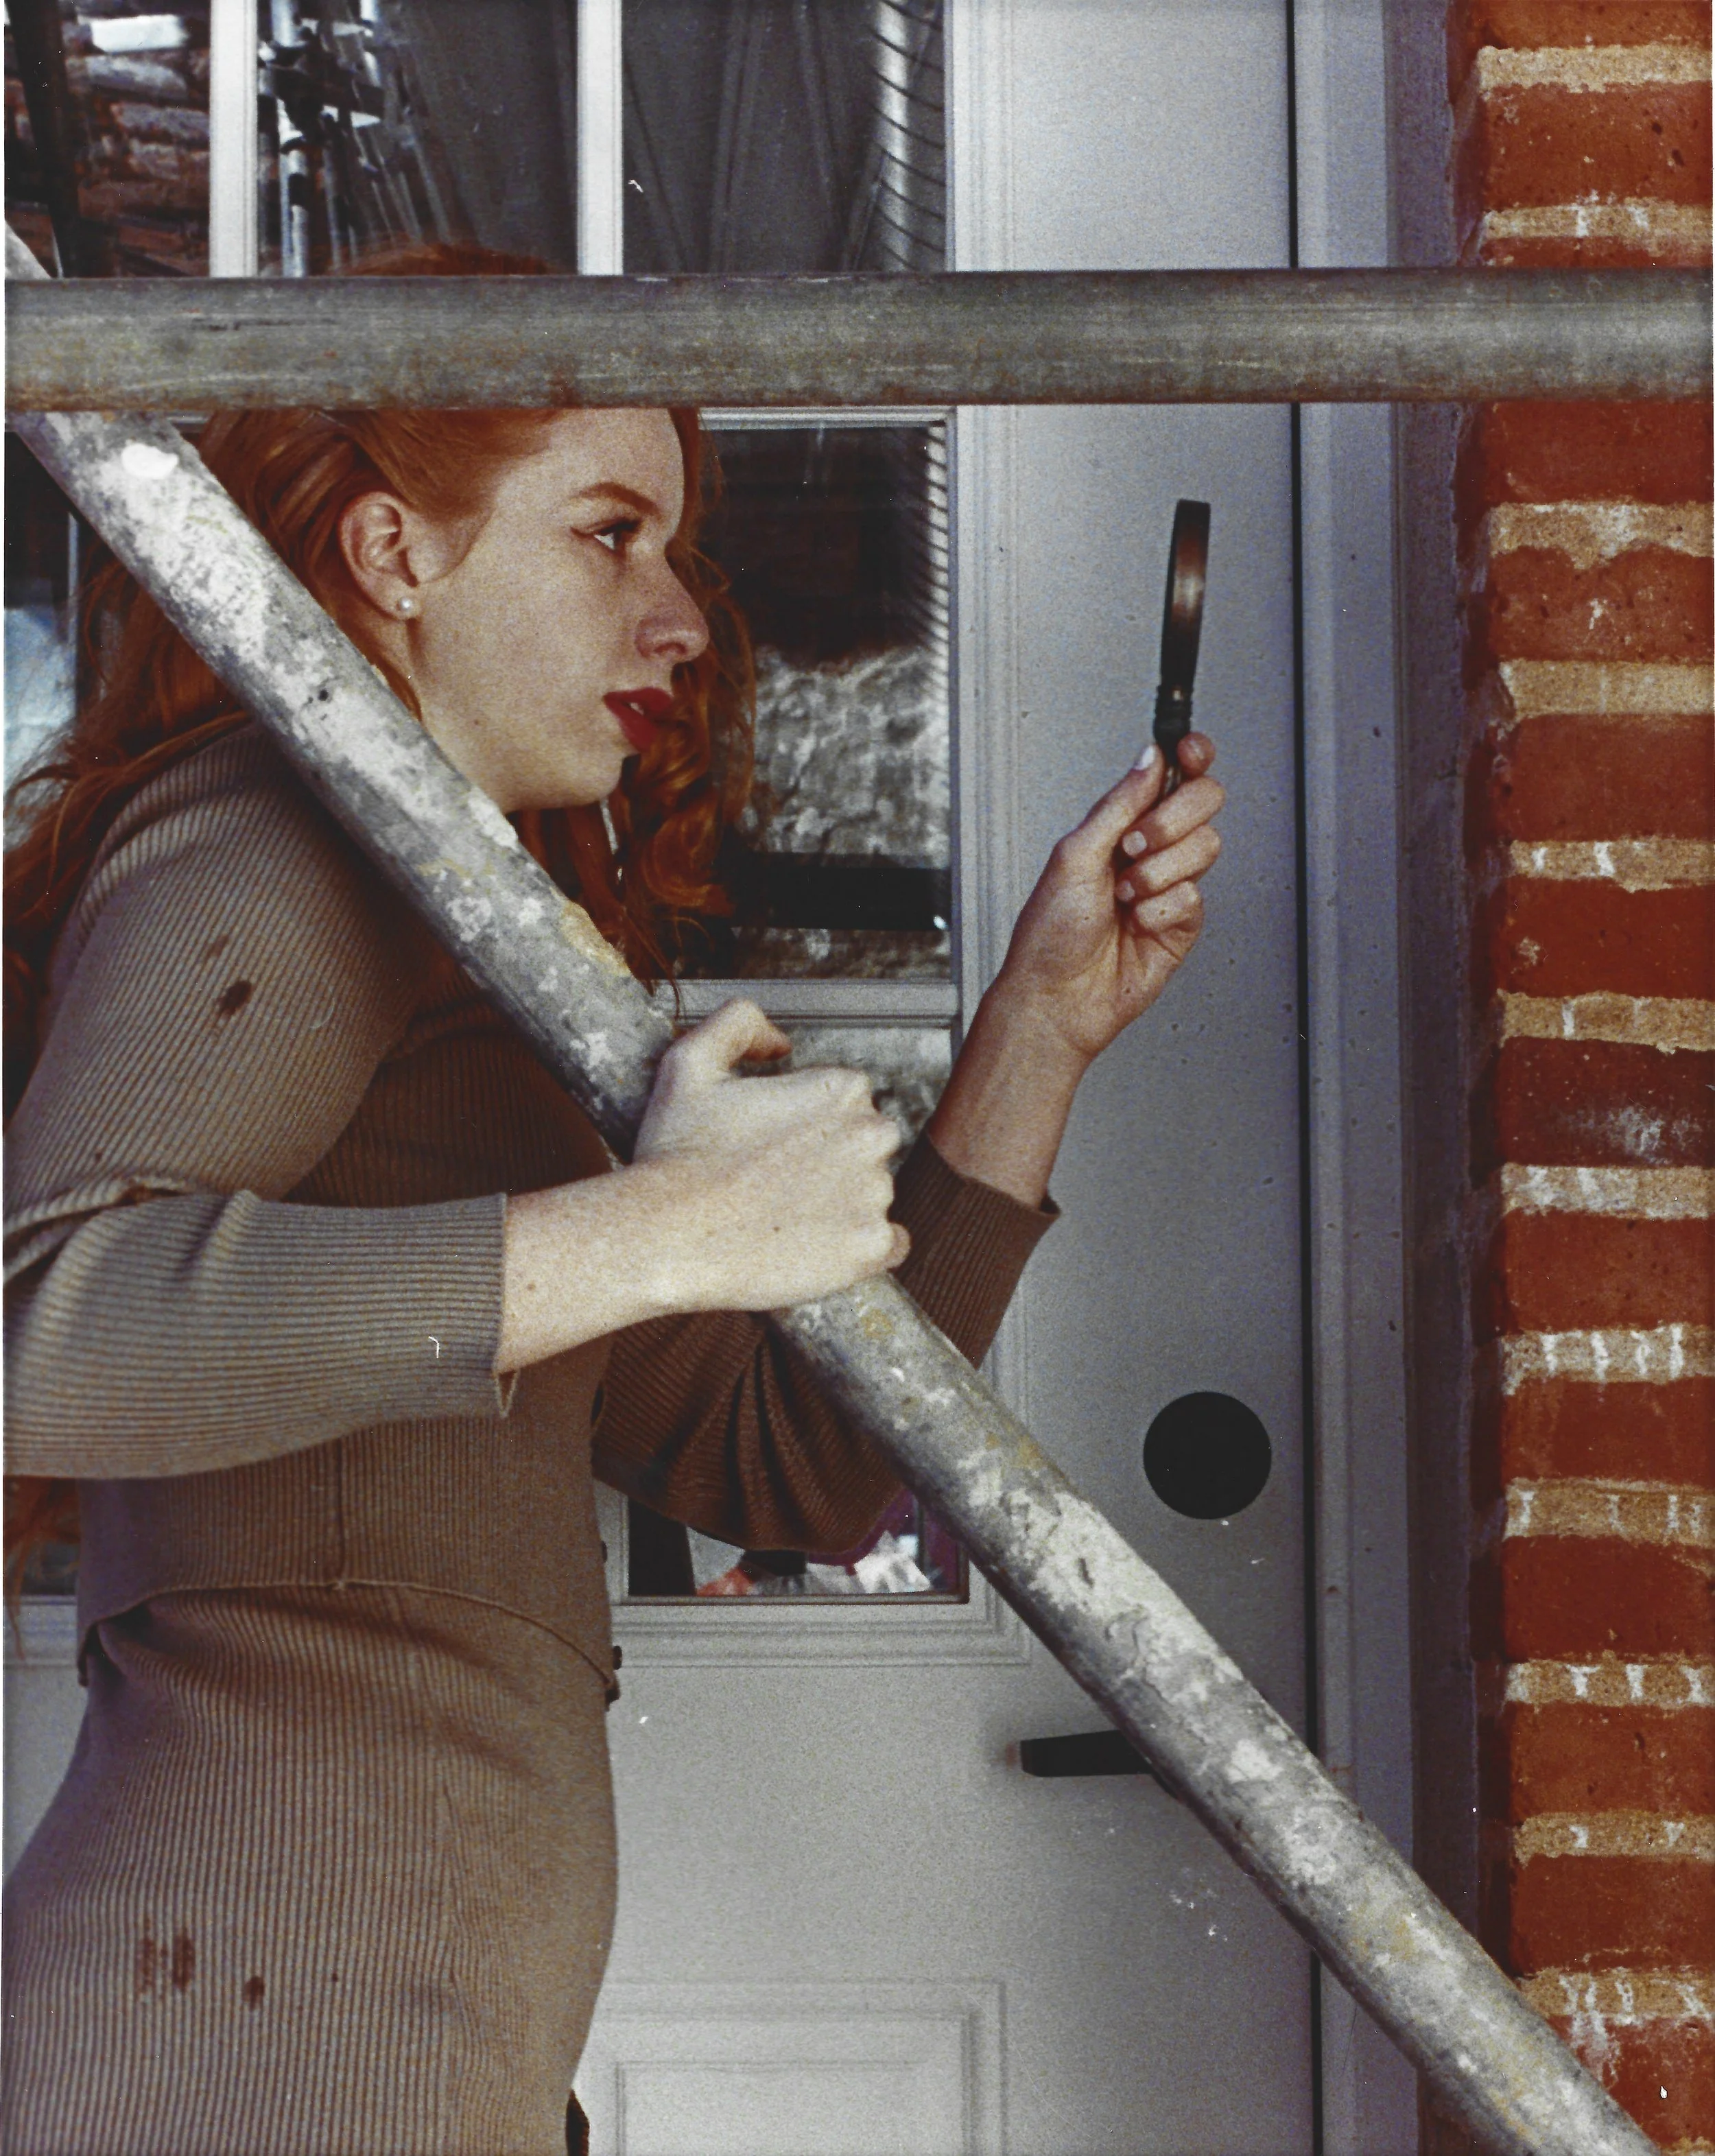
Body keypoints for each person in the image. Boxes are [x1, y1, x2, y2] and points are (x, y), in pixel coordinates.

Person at [1, 289, 1224, 2154]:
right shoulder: (277, 826)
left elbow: (794, 1462)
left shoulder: (445, 943)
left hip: (357, 2032)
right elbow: (36, 1330)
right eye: (608, 534)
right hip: (253, 2040)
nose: (682, 621)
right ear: (394, 554)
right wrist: (658, 1229)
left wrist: (1038, 1027)